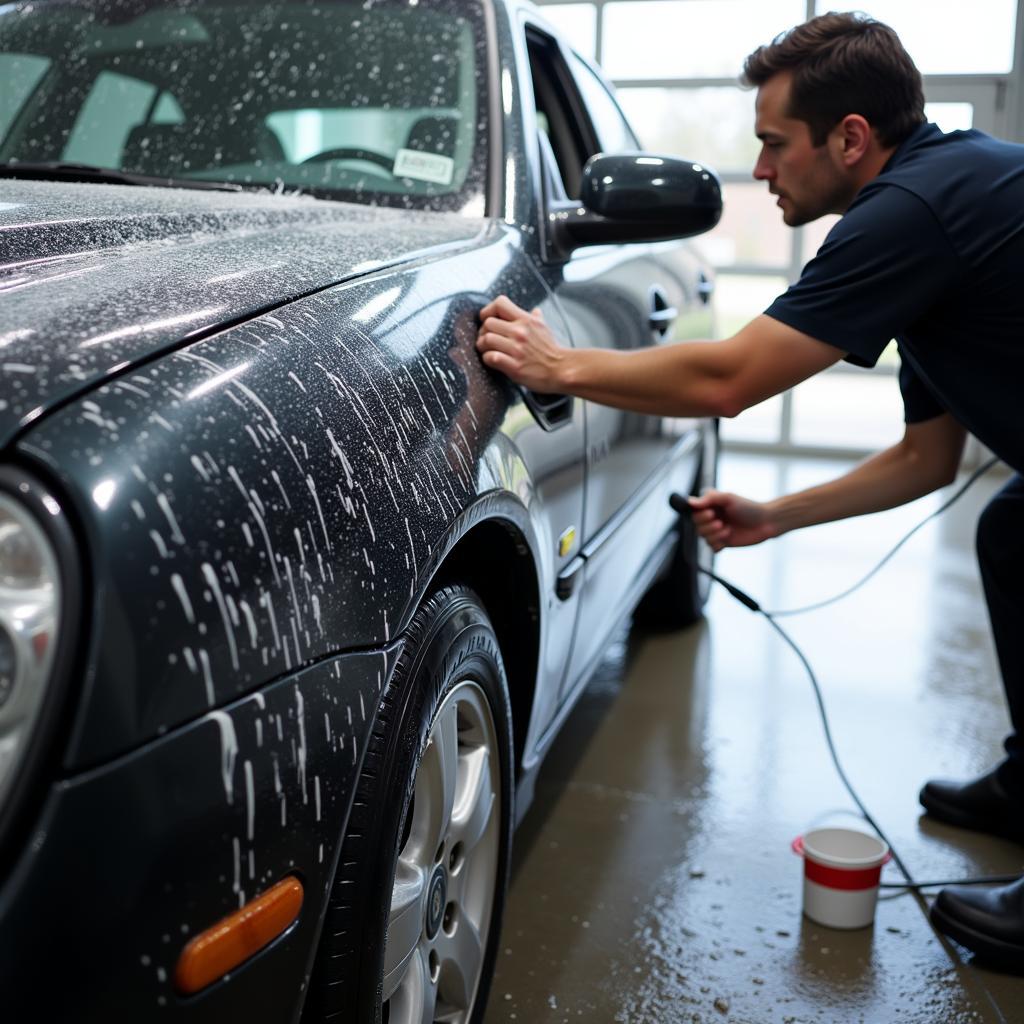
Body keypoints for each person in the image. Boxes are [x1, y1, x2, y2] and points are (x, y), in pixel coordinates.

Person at [475, 11, 1024, 972]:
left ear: (850, 138)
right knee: (1015, 532)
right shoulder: (942, 211)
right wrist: (775, 515)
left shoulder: (912, 213)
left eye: (774, 144)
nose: (761, 171)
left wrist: (561, 368)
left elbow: (727, 379)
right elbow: (925, 462)